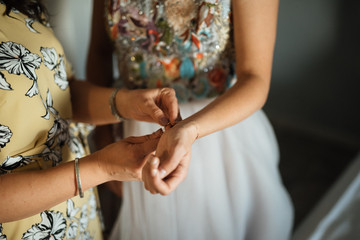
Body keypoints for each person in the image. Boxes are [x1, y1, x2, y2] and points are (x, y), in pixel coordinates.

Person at [88, 0, 294, 239]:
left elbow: (255, 78)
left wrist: (189, 130)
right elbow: (99, 53)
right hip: (133, 132)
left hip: (219, 129)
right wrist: (103, 136)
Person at [0, 0, 180, 239]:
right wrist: (101, 167)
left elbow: (62, 91)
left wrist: (127, 102)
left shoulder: (16, 7)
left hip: (78, 218)